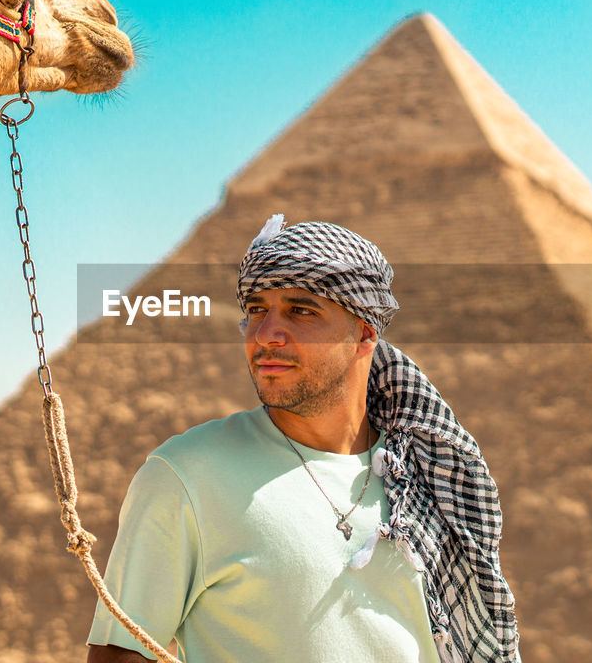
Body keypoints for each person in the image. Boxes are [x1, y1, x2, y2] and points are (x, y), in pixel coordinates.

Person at [86, 216, 519, 662]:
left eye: (301, 310)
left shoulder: (427, 478)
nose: (265, 334)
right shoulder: (185, 476)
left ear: (364, 334)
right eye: (256, 309)